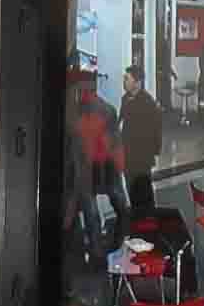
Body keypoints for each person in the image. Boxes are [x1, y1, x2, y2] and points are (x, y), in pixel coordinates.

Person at [70, 69, 131, 261]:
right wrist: (120, 166)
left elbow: (74, 146)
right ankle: (119, 243)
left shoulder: (74, 113)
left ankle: (97, 253)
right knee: (120, 206)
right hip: (107, 166)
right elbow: (115, 143)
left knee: (91, 212)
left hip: (88, 168)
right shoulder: (108, 109)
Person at [119, 65, 163, 217]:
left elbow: (156, 130)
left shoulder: (148, 103)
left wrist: (153, 152)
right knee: (131, 191)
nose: (124, 82)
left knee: (144, 195)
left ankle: (148, 221)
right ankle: (137, 219)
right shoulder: (125, 99)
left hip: (141, 158)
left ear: (137, 83)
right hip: (127, 156)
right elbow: (122, 123)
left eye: (127, 79)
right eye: (124, 78)